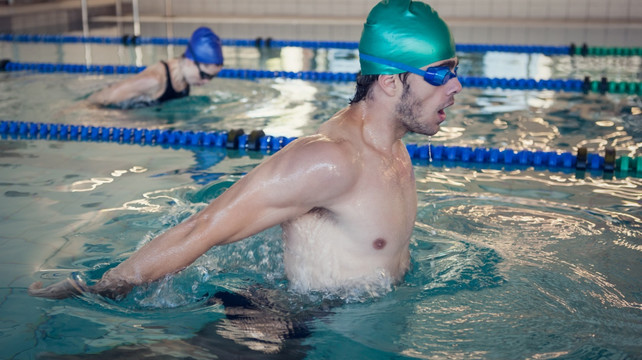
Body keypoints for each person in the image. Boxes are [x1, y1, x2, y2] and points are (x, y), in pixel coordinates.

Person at [29, 0, 462, 301]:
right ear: (389, 81)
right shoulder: (332, 160)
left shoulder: (395, 151)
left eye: (455, 71)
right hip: (293, 327)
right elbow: (203, 227)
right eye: (441, 75)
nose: (456, 87)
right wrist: (103, 289)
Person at [87, 26, 224, 109]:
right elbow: (101, 99)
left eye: (212, 77)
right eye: (205, 75)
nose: (207, 82)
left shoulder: (185, 78)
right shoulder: (154, 80)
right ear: (190, 61)